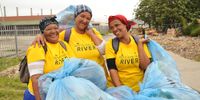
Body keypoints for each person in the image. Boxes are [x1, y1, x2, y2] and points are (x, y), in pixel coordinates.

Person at [33, 4, 108, 76]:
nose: (85, 20)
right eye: (82, 16)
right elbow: (51, 37)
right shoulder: (66, 34)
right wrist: (41, 35)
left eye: (88, 18)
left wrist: (92, 35)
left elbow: (104, 51)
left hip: (100, 79)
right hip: (80, 81)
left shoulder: (94, 32)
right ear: (75, 17)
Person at [24, 16, 75, 100]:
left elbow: (74, 65)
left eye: (55, 28)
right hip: (40, 95)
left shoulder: (64, 45)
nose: (53, 31)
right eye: (48, 29)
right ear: (42, 32)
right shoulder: (37, 47)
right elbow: (36, 79)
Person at [105, 14, 151, 92]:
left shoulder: (138, 41)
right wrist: (121, 91)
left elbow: (145, 66)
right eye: (112, 27)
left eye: (117, 25)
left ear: (125, 25)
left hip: (140, 89)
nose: (115, 29)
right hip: (119, 89)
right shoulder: (111, 44)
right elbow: (112, 69)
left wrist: (140, 45)